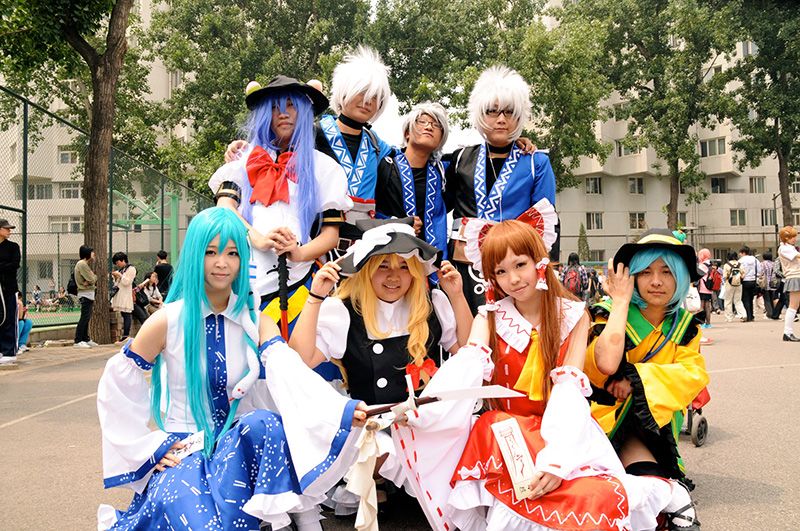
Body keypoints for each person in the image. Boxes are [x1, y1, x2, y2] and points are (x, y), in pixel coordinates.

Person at [399, 219, 699, 531]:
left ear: (539, 262)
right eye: (501, 271)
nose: (513, 279)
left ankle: (666, 491)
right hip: (505, 432)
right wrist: (424, 409)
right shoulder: (489, 316)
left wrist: (557, 458)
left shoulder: (573, 315)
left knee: (590, 497)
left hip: (562, 429)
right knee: (526, 500)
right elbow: (466, 366)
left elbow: (568, 389)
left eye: (520, 265)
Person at [96, 207, 367, 530]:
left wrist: (342, 411)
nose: (222, 263)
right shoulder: (167, 320)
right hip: (185, 449)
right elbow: (118, 385)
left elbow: (290, 372)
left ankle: (293, 515)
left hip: (239, 450)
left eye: (232, 253)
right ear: (194, 254)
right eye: (211, 252)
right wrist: (148, 449)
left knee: (265, 423)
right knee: (199, 522)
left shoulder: (256, 321)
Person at [288, 224, 472, 512]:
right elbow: (301, 359)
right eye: (383, 265)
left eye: (403, 266)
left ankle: (415, 483)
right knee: (372, 451)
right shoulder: (344, 310)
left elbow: (468, 351)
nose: (393, 276)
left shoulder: (432, 303)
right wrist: (315, 298)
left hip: (423, 423)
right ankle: (381, 479)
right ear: (366, 269)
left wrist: (457, 295)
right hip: (373, 425)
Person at [210, 75, 352, 342]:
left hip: (299, 284)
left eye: (291, 105)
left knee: (298, 359)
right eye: (275, 107)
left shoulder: (324, 167)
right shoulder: (244, 162)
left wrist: (298, 252)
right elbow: (225, 207)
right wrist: (258, 238)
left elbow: (331, 235)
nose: (283, 113)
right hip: (243, 283)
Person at [585, 229, 709, 530]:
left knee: (641, 492)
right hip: (603, 420)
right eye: (646, 272)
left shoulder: (686, 327)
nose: (656, 281)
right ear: (632, 277)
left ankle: (666, 494)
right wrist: (620, 302)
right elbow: (601, 365)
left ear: (680, 277)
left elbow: (692, 375)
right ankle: (670, 494)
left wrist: (635, 380)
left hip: (654, 424)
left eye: (667, 272)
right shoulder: (607, 315)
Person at [444, 66, 557, 312]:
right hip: (464, 265)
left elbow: (547, 222)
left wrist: (546, 273)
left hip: (513, 269)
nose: (501, 119)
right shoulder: (460, 158)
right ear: (479, 114)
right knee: (465, 328)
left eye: (509, 112)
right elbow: (438, 206)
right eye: (492, 111)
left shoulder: (536, 162)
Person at [375, 102, 450, 255]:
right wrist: (398, 224)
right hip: (388, 254)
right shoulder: (385, 165)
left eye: (436, 125)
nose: (429, 127)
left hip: (430, 258)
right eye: (422, 122)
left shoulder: (444, 173)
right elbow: (370, 210)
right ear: (407, 133)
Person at [0, 218, 20, 364]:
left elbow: (14, 265)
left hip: (9, 288)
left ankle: (9, 351)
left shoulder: (13, 247)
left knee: (9, 318)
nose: (9, 231)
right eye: (6, 228)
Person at [777, 226, 800, 341]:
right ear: (786, 238)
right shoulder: (784, 248)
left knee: (794, 306)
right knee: (793, 306)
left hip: (796, 276)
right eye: (793, 237)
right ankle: (787, 332)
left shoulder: (789, 247)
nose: (795, 238)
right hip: (794, 276)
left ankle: (788, 332)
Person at [74, 245, 98, 348]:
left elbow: (91, 279)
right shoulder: (82, 264)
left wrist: (91, 278)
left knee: (87, 317)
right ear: (87, 253)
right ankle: (78, 340)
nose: (93, 254)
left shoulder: (84, 264)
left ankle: (85, 338)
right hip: (85, 293)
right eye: (92, 252)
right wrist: (93, 277)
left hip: (88, 293)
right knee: (84, 317)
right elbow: (92, 279)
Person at [110, 251, 137, 342]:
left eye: (117, 262)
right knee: (123, 314)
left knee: (127, 314)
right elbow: (117, 283)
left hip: (126, 295)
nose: (117, 264)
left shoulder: (131, 269)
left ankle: (126, 335)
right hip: (120, 295)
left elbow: (127, 282)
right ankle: (124, 335)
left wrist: (120, 275)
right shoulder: (121, 270)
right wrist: (116, 277)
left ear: (122, 260)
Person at [722, 251, 745, 322]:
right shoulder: (740, 264)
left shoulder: (726, 265)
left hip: (729, 284)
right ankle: (743, 315)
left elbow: (724, 276)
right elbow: (743, 274)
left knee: (728, 301)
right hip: (739, 284)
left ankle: (729, 317)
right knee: (738, 300)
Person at [738, 246, 758, 322]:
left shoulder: (741, 261)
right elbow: (759, 270)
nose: (739, 254)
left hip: (744, 281)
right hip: (753, 280)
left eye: (740, 253)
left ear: (743, 252)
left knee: (745, 299)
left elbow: (739, 271)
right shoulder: (755, 260)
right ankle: (751, 316)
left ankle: (748, 316)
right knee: (751, 299)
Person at [696, 248, 713, 328]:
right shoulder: (711, 264)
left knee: (701, 306)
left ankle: (702, 323)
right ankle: (708, 323)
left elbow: (697, 274)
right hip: (709, 288)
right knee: (708, 306)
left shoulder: (702, 265)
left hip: (703, 288)